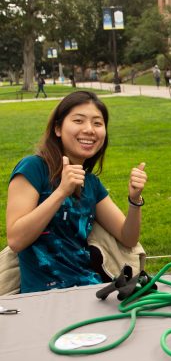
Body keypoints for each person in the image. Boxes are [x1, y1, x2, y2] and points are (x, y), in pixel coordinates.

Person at [6, 91, 148, 293]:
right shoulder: (33, 169)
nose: (89, 130)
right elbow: (16, 240)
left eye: (98, 123)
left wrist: (135, 200)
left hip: (89, 289)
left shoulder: (91, 183)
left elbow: (128, 238)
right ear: (57, 128)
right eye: (79, 121)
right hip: (41, 297)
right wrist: (61, 192)